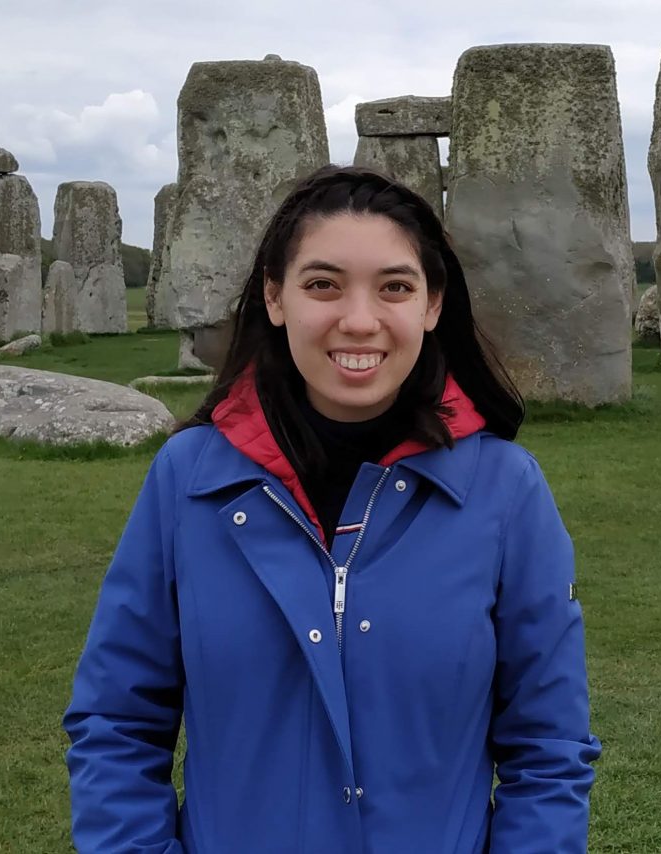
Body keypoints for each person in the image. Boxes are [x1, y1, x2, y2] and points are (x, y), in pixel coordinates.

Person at [63, 165, 601, 853]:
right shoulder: (188, 479)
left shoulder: (504, 489)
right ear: (274, 296)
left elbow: (549, 746)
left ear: (432, 305)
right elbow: (116, 720)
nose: (359, 320)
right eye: (323, 284)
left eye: (395, 287)